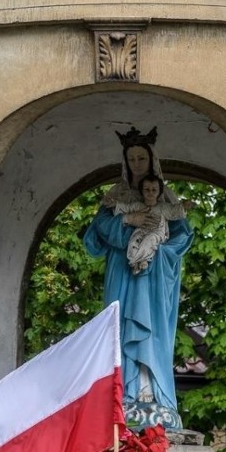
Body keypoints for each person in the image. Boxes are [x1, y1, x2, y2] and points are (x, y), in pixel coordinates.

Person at [83, 127, 193, 429]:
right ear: (125, 161)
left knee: (152, 330)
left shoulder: (165, 198)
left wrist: (160, 250)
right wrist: (127, 221)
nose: (136, 163)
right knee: (121, 328)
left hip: (155, 277)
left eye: (141, 157)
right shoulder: (116, 197)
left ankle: (153, 392)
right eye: (131, 158)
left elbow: (183, 235)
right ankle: (125, 395)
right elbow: (96, 234)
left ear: (151, 159)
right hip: (122, 272)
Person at [113, 173, 192, 275]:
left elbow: (175, 211)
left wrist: (184, 206)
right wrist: (115, 205)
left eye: (154, 190)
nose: (150, 192)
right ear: (141, 191)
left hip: (157, 232)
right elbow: (125, 208)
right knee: (133, 242)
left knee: (150, 240)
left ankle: (143, 260)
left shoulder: (164, 207)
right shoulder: (138, 206)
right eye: (147, 189)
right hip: (141, 230)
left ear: (159, 192)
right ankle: (134, 261)